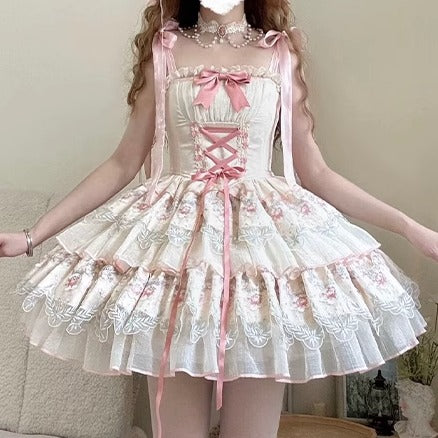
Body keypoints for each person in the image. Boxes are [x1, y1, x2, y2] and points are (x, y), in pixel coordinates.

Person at [1, 0, 437, 437]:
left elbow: (317, 173)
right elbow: (122, 163)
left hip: (261, 258)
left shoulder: (280, 51)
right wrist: (31, 235)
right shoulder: (165, 49)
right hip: (180, 257)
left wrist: (408, 226)